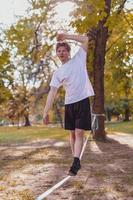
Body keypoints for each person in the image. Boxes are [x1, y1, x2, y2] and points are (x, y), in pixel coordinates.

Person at [43, 33, 94, 176]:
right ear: (56, 54)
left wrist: (66, 36)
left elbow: (85, 39)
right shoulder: (58, 73)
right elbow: (52, 93)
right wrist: (45, 112)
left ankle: (76, 162)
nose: (61, 53)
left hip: (82, 100)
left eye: (63, 50)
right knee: (72, 134)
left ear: (68, 51)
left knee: (79, 132)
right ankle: (75, 160)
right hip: (69, 104)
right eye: (58, 51)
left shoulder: (79, 58)